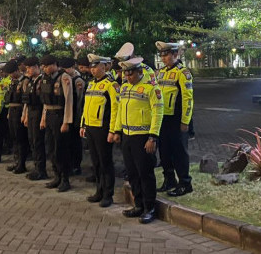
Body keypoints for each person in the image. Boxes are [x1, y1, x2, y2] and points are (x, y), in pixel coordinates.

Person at [114, 56, 164, 224]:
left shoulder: (152, 89)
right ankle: (138, 205)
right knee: (133, 173)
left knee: (145, 173)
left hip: (143, 137)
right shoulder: (125, 87)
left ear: (140, 71)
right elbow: (120, 110)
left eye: (131, 74)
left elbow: (158, 114)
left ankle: (149, 208)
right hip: (127, 136)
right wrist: (116, 130)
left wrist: (153, 137)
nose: (128, 77)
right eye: (126, 74)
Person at [155, 41, 194, 197]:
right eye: (162, 55)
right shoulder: (161, 73)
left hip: (177, 119)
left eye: (166, 55)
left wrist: (185, 121)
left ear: (175, 55)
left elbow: (188, 99)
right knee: (164, 152)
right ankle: (169, 180)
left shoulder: (183, 73)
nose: (164, 58)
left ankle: (185, 183)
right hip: (162, 118)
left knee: (179, 153)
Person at [80, 54, 120, 208]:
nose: (93, 69)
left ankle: (108, 194)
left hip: (103, 129)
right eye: (91, 66)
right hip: (90, 127)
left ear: (104, 66)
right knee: (95, 162)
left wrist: (113, 130)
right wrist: (83, 126)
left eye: (96, 66)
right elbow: (86, 107)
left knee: (105, 162)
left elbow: (116, 109)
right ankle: (99, 190)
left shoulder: (111, 85)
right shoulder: (91, 84)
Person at [39, 55, 74, 192]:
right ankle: (57, 176)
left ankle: (65, 179)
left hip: (60, 116)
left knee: (61, 149)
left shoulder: (64, 78)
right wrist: (43, 118)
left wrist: (66, 122)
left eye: (46, 66)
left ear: (54, 64)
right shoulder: (46, 78)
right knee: (51, 148)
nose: (45, 69)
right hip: (49, 115)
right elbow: (45, 102)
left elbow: (69, 101)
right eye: (43, 66)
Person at [21, 56, 48, 180]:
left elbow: (45, 102)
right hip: (31, 112)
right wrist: (25, 115)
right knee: (32, 140)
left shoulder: (42, 81)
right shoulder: (31, 81)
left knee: (38, 141)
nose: (27, 71)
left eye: (29, 68)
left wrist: (43, 118)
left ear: (37, 67)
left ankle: (41, 170)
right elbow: (27, 101)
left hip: (38, 112)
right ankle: (36, 167)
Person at [60, 57, 85, 176]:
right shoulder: (65, 77)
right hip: (69, 113)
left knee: (75, 141)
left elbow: (80, 99)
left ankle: (76, 165)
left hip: (76, 114)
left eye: (67, 68)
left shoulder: (78, 79)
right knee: (68, 141)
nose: (65, 71)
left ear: (72, 67)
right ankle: (70, 163)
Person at [4, 60, 28, 174]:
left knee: (20, 138)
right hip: (12, 110)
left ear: (17, 71)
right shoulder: (12, 82)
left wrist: (24, 114)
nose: (10, 76)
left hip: (20, 110)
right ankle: (16, 161)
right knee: (14, 137)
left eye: (12, 73)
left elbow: (25, 101)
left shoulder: (24, 81)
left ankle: (21, 163)